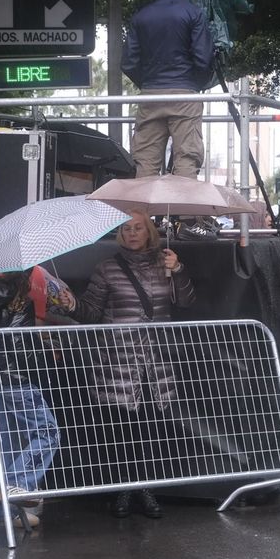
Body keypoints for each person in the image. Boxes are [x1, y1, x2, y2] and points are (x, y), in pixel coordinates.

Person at [76, 212, 196, 519]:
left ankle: (143, 489)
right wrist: (71, 304)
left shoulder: (165, 263)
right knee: (122, 429)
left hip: (156, 362)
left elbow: (186, 302)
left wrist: (178, 270)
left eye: (138, 228)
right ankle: (127, 489)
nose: (131, 233)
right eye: (126, 228)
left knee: (151, 427)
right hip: (119, 361)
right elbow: (90, 312)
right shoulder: (107, 268)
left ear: (149, 232)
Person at [0, 266, 71, 529]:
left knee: (1, 443)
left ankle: (0, 512)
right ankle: (15, 483)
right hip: (17, 379)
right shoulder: (22, 303)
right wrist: (44, 347)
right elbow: (22, 346)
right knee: (48, 432)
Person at [124, 0, 215, 179]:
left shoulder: (140, 17)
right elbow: (204, 60)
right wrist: (193, 84)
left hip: (150, 96)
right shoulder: (194, 14)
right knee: (187, 158)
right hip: (185, 96)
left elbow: (128, 62)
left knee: (145, 160)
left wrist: (148, 83)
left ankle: (143, 204)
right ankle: (184, 204)